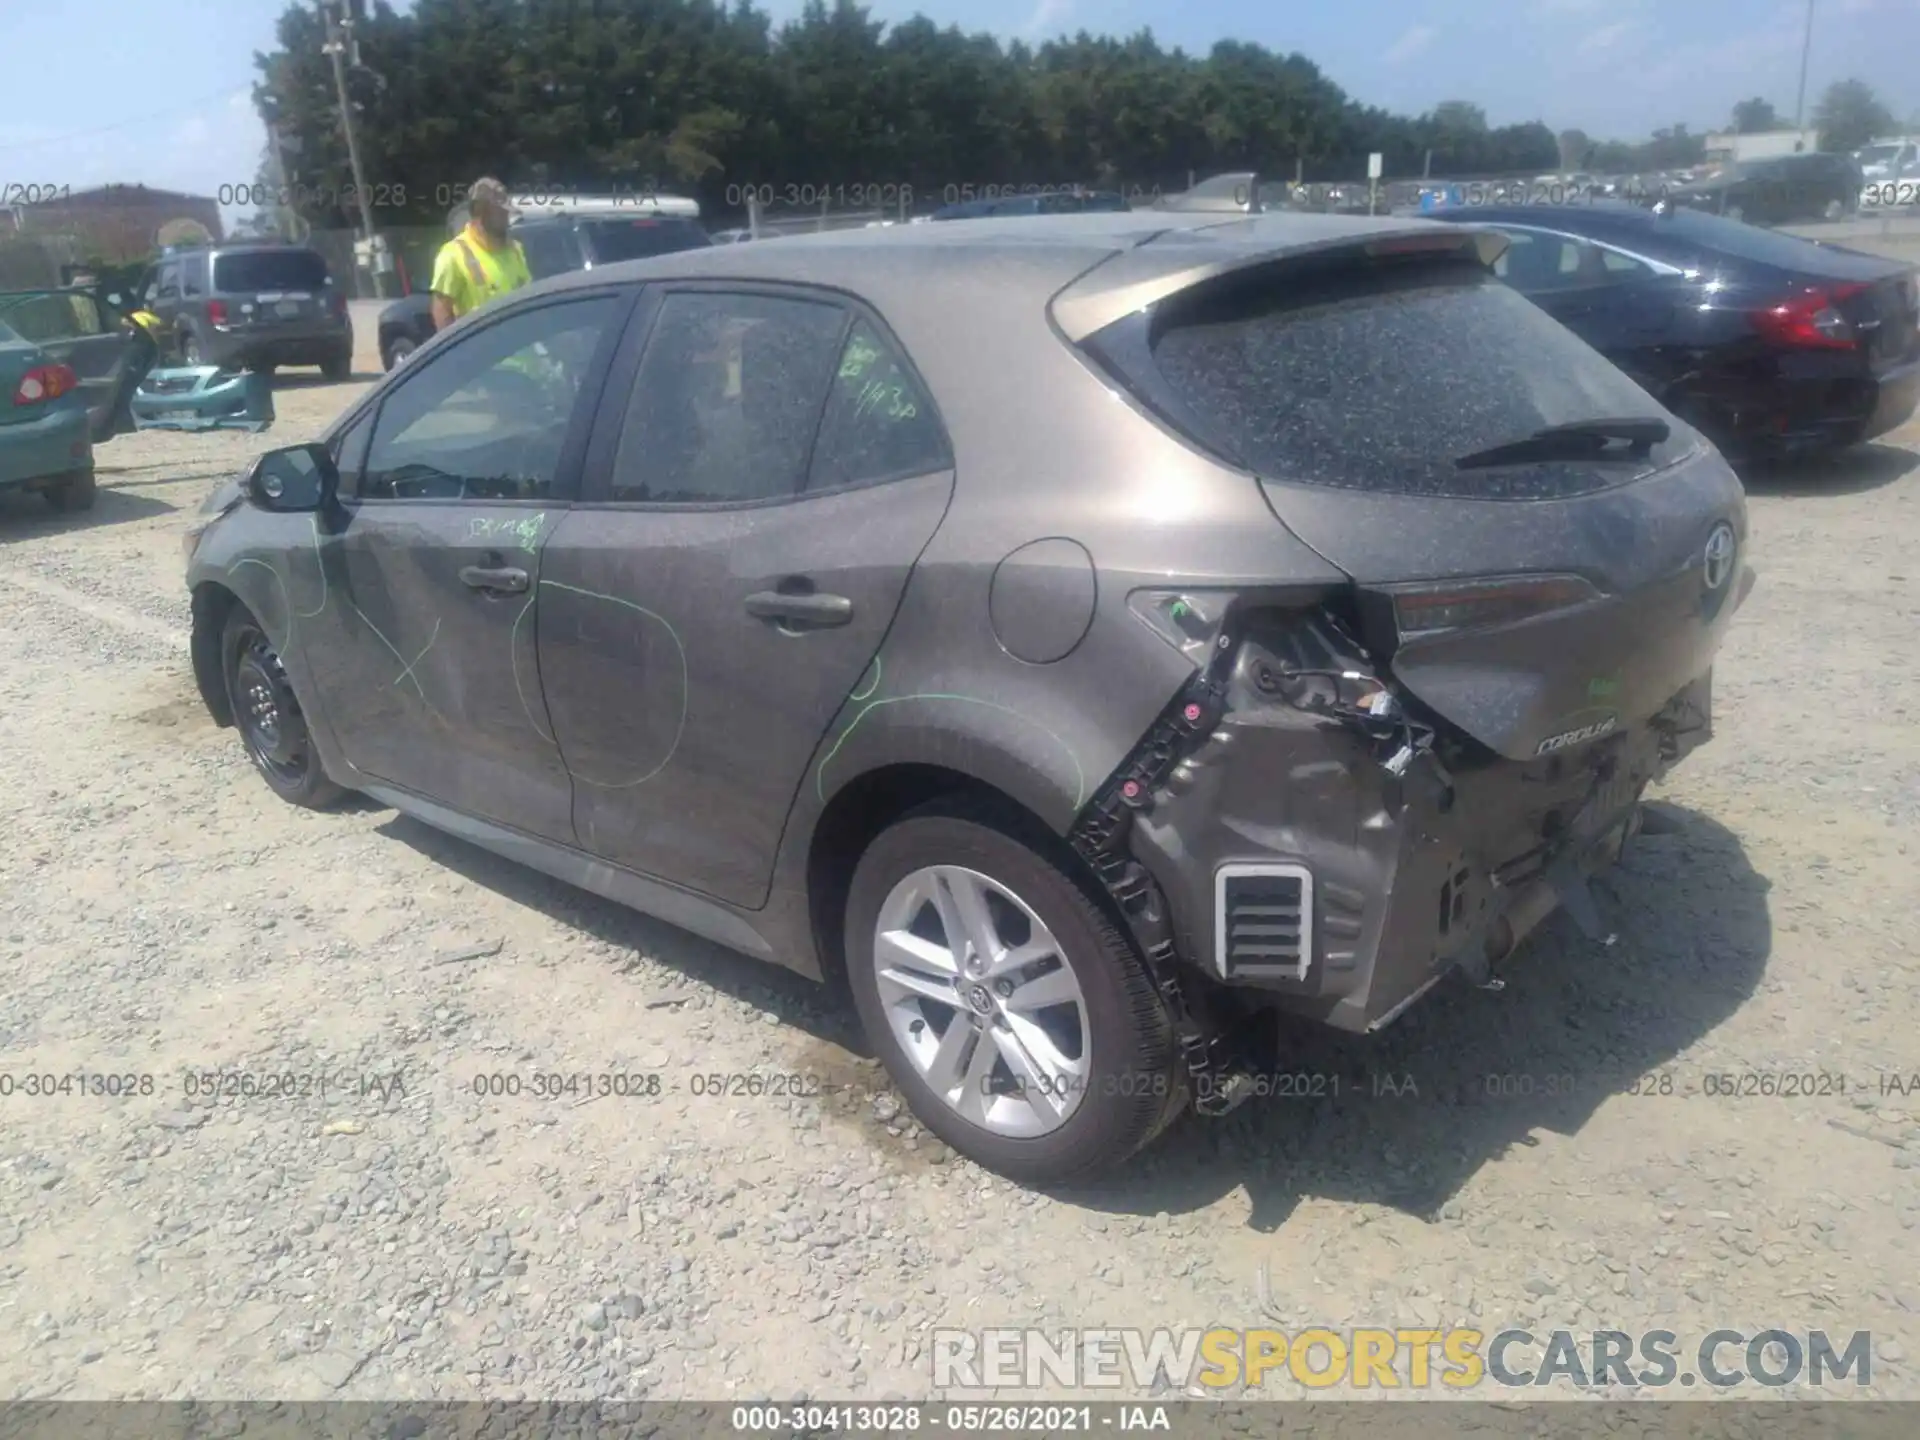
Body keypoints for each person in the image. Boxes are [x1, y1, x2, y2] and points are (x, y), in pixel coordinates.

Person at [428, 177, 531, 331]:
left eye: (506, 212)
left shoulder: (515, 249)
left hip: (523, 351)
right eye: (500, 212)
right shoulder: (453, 255)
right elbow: (442, 316)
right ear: (479, 210)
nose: (506, 218)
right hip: (485, 354)